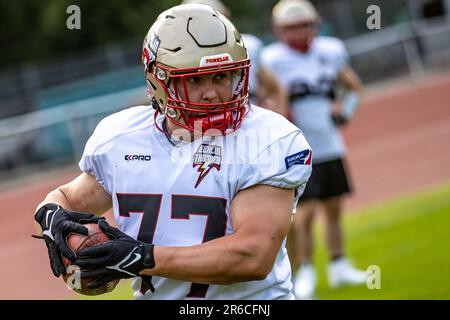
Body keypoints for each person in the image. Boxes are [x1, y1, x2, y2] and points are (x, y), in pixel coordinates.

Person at [33, 3, 312, 300]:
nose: (211, 93)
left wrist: (141, 258)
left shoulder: (267, 138)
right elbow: (68, 198)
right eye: (194, 79)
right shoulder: (123, 137)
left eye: (221, 77)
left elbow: (253, 257)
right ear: (158, 83)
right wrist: (52, 217)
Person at [261, 0, 367, 299]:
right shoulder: (272, 59)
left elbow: (354, 86)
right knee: (304, 214)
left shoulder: (329, 51)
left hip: (330, 144)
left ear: (314, 25)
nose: (297, 32)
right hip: (297, 150)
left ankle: (339, 264)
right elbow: (265, 96)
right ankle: (304, 270)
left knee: (334, 206)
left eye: (303, 25)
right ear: (278, 30)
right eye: (290, 27)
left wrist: (345, 111)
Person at [182, 0, 290, 117]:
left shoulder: (247, 46)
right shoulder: (175, 55)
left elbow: (275, 89)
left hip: (246, 122)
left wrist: (277, 122)